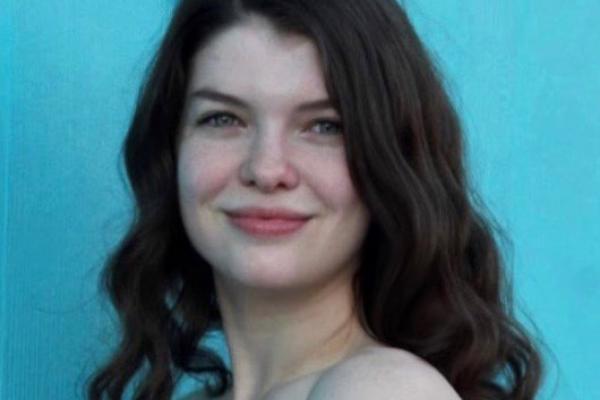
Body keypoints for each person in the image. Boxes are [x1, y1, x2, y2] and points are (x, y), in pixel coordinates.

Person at [86, 0, 545, 399]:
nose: (266, 169)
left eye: (324, 126)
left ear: (392, 164)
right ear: (171, 151)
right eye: (223, 119)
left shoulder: (382, 390)